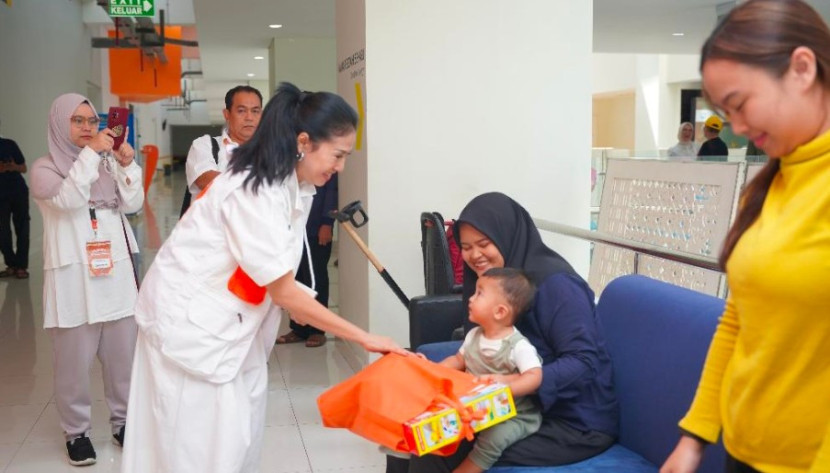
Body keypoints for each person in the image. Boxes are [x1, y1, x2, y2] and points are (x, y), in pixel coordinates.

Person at [121, 82, 407, 473]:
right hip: (191, 332)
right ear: (303, 141)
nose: (340, 168)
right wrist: (365, 337)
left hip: (231, 327)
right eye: (338, 155)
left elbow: (274, 265)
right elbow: (281, 287)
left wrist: (299, 298)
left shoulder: (293, 185)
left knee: (238, 442)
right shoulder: (252, 188)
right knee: (196, 452)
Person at [661, 1, 830, 472]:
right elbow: (738, 320)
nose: (735, 128)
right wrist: (695, 437)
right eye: (723, 112)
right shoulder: (766, 187)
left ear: (801, 68)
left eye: (739, 104)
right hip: (744, 451)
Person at [394, 192, 619, 473]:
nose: (474, 255)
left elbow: (584, 361)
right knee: (423, 429)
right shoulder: (492, 281)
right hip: (513, 406)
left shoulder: (557, 286)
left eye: (484, 244)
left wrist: (513, 383)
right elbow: (480, 350)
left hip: (573, 422)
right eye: (466, 247)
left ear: (507, 235)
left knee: (439, 446)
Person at [29, 94, 143, 466]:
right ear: (61, 124)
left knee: (123, 359)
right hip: (73, 281)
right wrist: (93, 156)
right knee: (72, 366)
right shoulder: (45, 168)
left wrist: (126, 166)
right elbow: (69, 201)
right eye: (77, 121)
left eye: (92, 121)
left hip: (116, 277)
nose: (87, 128)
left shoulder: (106, 163)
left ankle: (124, 421)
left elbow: (133, 203)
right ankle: (76, 432)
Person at [438, 267, 542, 473]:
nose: (470, 298)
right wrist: (432, 370)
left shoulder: (518, 346)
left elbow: (534, 376)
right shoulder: (474, 335)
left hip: (513, 415)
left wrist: (504, 386)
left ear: (500, 311)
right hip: (478, 407)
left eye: (479, 293)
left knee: (494, 436)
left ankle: (469, 468)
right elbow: (458, 360)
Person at [276, 173, 338, 347]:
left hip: (317, 228)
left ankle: (318, 330)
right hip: (293, 229)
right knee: (296, 277)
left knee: (316, 277)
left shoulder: (324, 160)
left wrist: (327, 223)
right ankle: (299, 328)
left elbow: (332, 193)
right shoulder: (292, 161)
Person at [181, 85, 262, 216]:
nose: (249, 117)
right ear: (227, 114)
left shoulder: (271, 152)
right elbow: (207, 181)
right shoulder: (205, 145)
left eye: (255, 111)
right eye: (241, 111)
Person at [0, 120, 30, 279]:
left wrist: (12, 167)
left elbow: (23, 167)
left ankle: (21, 267)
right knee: (2, 232)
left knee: (22, 228)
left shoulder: (9, 144)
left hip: (17, 191)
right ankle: (11, 263)